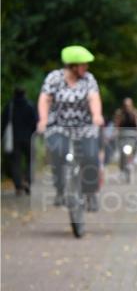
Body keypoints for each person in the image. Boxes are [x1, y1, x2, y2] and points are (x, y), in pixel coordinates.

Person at [37, 46, 104, 211]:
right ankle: (60, 189)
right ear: (72, 66)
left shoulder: (89, 79)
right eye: (83, 65)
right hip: (59, 126)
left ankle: (90, 194)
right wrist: (44, 119)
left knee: (90, 157)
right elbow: (45, 99)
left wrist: (96, 115)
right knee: (58, 152)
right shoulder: (54, 78)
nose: (86, 68)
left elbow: (94, 98)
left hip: (84, 126)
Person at [3, 87, 38, 195]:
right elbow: (36, 121)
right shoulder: (30, 105)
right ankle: (27, 180)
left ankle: (18, 186)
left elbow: (3, 122)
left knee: (15, 163)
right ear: (25, 93)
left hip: (14, 139)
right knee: (31, 161)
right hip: (28, 138)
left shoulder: (10, 106)